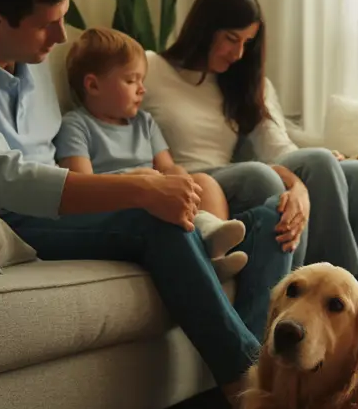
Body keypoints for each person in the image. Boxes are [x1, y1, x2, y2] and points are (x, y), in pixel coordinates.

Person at [0, 0, 292, 404]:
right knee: (153, 216)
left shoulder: (27, 58)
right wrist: (134, 190)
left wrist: (132, 183)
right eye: (48, 25)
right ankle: (249, 388)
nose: (60, 38)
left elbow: (54, 156)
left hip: (52, 209)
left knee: (272, 220)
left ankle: (271, 370)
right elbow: (6, 180)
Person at [141, 0, 358, 305]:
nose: (238, 53)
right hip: (198, 183)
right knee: (265, 174)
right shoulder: (151, 67)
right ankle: (340, 304)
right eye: (230, 39)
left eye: (246, 43)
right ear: (204, 28)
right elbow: (113, 118)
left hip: (241, 174)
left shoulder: (243, 83)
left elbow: (279, 148)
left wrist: (346, 158)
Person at [56, 26, 248, 280]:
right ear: (93, 85)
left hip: (155, 190)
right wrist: (137, 180)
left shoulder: (144, 123)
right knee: (157, 190)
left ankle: (214, 255)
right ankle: (205, 245)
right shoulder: (77, 125)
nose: (141, 89)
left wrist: (182, 180)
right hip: (120, 203)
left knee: (204, 182)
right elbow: (81, 183)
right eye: (130, 80)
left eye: (142, 81)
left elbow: (168, 166)